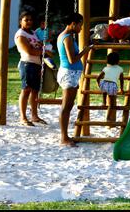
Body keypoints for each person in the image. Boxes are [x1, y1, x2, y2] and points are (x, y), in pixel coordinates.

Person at [57, 13, 92, 147]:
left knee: (68, 105)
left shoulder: (66, 37)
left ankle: (65, 136)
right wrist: (86, 50)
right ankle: (64, 138)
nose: (81, 28)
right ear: (73, 23)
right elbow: (72, 59)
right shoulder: (67, 38)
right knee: (66, 107)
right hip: (69, 74)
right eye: (80, 25)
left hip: (70, 74)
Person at [14, 11, 49, 126]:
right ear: (21, 22)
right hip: (27, 64)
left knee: (35, 91)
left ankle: (34, 116)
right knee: (26, 90)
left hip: (37, 64)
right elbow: (29, 51)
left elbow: (39, 45)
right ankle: (23, 117)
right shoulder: (21, 35)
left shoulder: (33, 32)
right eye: (26, 20)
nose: (29, 22)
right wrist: (44, 51)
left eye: (30, 20)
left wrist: (44, 50)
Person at [97, 52, 124, 122]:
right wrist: (121, 89)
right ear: (118, 61)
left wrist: (99, 85)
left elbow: (98, 78)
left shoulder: (106, 68)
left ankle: (103, 102)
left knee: (104, 91)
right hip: (112, 85)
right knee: (111, 104)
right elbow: (121, 80)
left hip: (104, 84)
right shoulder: (120, 69)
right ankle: (108, 118)